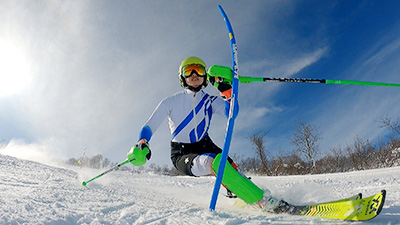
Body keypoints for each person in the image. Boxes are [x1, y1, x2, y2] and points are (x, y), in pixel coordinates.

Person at [127, 56, 295, 214]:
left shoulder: (210, 100)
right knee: (213, 163)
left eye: (199, 70)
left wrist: (227, 91)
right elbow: (149, 125)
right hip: (182, 153)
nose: (194, 74)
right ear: (182, 77)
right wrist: (142, 141)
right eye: (189, 71)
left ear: (205, 76)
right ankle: (262, 202)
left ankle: (239, 192)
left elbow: (232, 113)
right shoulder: (170, 102)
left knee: (227, 163)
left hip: (205, 144)